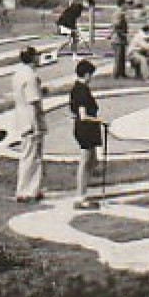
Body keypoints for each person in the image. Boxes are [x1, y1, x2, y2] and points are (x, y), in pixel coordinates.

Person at [9, 46, 46, 203]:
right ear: (32, 58)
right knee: (32, 155)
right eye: (36, 56)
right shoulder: (30, 76)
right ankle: (26, 191)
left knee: (29, 154)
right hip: (31, 118)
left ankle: (31, 188)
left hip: (21, 116)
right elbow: (34, 101)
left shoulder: (18, 74)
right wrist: (38, 121)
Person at [69, 59, 104, 210]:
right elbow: (83, 115)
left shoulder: (76, 88)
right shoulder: (82, 90)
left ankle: (83, 192)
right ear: (87, 74)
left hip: (83, 128)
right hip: (86, 129)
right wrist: (99, 120)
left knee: (91, 161)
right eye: (91, 75)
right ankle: (80, 196)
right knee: (85, 162)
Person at [110, 6, 131, 79]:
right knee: (118, 58)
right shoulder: (119, 14)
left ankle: (122, 73)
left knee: (122, 58)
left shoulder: (118, 14)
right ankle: (115, 74)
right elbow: (116, 26)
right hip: (118, 40)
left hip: (120, 39)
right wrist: (122, 33)